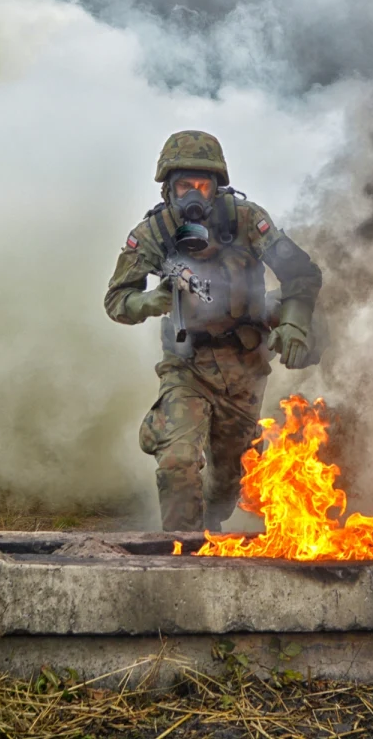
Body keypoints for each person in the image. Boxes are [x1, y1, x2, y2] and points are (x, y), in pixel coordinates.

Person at [104, 130, 323, 531]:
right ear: (169, 189)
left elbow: (301, 274)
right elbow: (117, 300)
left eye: (202, 185)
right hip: (187, 366)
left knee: (225, 487)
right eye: (183, 185)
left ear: (216, 186)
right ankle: (180, 560)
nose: (193, 195)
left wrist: (293, 324)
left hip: (245, 364)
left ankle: (208, 528)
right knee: (178, 462)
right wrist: (151, 301)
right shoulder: (154, 233)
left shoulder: (246, 219)